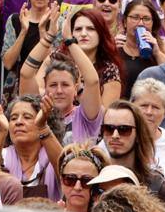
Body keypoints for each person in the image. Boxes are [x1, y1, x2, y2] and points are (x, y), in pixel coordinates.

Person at [18, 11, 105, 144]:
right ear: (44, 88)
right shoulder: (37, 112)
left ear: (76, 88)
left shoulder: (85, 116)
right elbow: (26, 74)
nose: (59, 91)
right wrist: (49, 36)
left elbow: (92, 81)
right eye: (53, 85)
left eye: (65, 85)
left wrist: (70, 41)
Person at [2, 0, 66, 101]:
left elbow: (56, 62)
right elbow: (7, 63)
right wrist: (23, 31)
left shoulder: (59, 22)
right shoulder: (15, 20)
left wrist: (44, 32)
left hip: (49, 87)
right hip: (17, 89)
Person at [100, 99, 165, 203]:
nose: (115, 135)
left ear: (138, 134)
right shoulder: (90, 176)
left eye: (124, 129)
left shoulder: (156, 186)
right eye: (108, 128)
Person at [2, 94, 66, 200]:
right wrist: (1, 132)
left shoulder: (53, 158)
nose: (18, 122)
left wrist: (43, 127)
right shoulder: (2, 156)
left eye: (27, 117)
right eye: (13, 118)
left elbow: (66, 169)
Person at [119, 0, 165, 98]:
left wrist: (157, 53)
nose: (140, 23)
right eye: (135, 17)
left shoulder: (162, 47)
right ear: (124, 22)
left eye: (146, 19)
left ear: (153, 23)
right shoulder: (116, 47)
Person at [132, 78, 165, 172]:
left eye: (155, 107)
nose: (149, 112)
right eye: (144, 106)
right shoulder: (116, 135)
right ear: (132, 107)